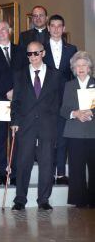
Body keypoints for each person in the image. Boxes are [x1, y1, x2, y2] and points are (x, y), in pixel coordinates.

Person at [11, 41, 61, 211]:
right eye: (29, 54)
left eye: (36, 53)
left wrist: (54, 121)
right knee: (23, 162)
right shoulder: (20, 74)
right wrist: (15, 122)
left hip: (48, 125)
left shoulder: (55, 75)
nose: (32, 57)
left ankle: (44, 199)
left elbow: (59, 101)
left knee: (47, 163)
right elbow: (16, 101)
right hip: (26, 124)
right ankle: (20, 199)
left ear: (43, 53)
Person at [0, 20, 27, 186]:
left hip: (18, 101)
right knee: (0, 138)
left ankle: (14, 172)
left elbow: (25, 73)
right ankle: (2, 173)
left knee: (16, 138)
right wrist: (7, 92)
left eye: (3, 29)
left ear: (9, 30)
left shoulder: (21, 50)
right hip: (0, 100)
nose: (1, 32)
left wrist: (16, 93)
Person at [43, 14, 78, 185]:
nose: (56, 29)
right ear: (48, 28)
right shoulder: (40, 48)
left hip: (65, 98)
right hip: (45, 98)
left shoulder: (72, 49)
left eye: (59, 26)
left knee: (63, 135)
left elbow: (74, 75)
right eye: (53, 26)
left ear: (63, 29)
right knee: (48, 136)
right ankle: (48, 172)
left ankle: (60, 172)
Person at [60, 51, 95, 207]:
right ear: (73, 69)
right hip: (74, 132)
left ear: (89, 68)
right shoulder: (69, 85)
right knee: (76, 168)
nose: (80, 68)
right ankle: (78, 200)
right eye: (77, 65)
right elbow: (63, 109)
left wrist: (91, 112)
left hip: (92, 132)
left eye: (83, 65)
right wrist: (75, 113)